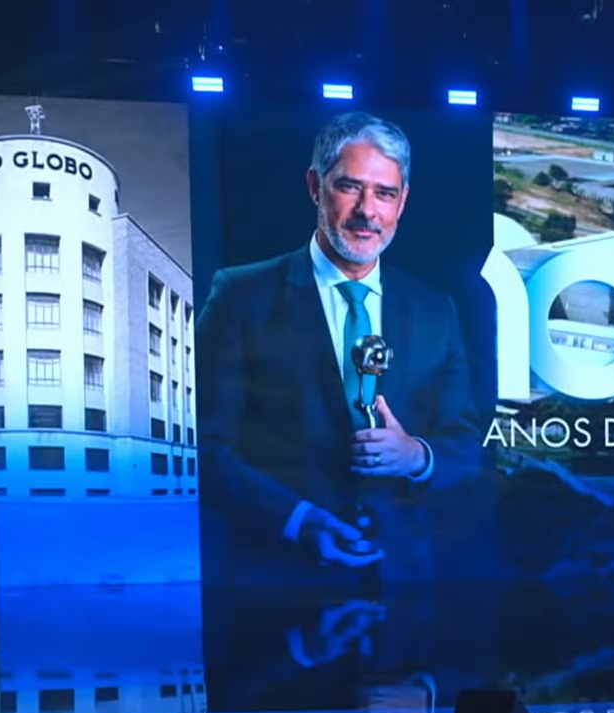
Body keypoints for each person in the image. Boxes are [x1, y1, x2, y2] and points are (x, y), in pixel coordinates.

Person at [196, 111, 486, 589]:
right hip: (276, 588)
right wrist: (299, 519)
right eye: (350, 187)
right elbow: (205, 448)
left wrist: (416, 454)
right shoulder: (240, 297)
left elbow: (466, 446)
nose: (367, 211)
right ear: (315, 186)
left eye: (385, 193)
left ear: (403, 201)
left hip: (404, 592)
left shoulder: (437, 310)